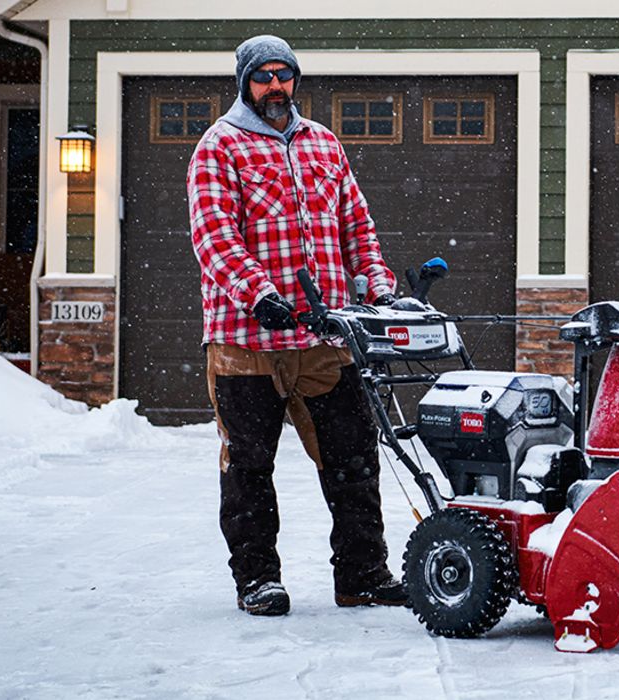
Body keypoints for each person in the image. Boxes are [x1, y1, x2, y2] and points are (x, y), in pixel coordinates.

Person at [187, 35, 404, 616]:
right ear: (244, 82)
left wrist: (378, 285)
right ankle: (258, 579)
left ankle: (362, 574)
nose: (276, 86)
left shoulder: (324, 145)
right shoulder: (219, 147)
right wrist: (258, 294)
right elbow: (214, 236)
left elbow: (357, 226)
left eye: (285, 75)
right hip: (246, 343)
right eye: (264, 76)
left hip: (324, 341)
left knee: (355, 459)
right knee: (250, 467)